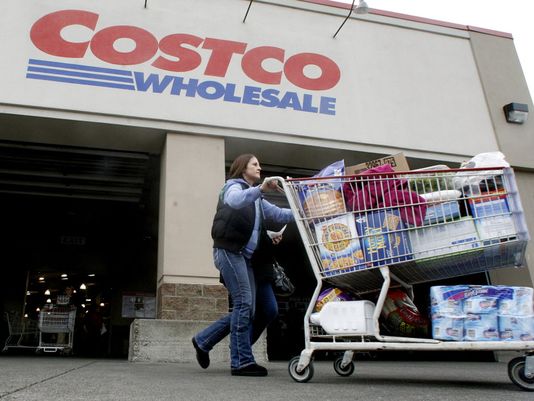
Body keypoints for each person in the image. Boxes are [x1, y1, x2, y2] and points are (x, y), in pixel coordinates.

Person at [192, 154, 294, 377]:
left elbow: (278, 214)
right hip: (229, 252)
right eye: (255, 164)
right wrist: (261, 189)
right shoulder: (232, 187)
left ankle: (205, 341)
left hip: (245, 258)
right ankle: (241, 362)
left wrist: (306, 212)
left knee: (250, 308)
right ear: (242, 168)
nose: (260, 168)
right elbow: (235, 201)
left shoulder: (256, 198)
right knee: (245, 304)